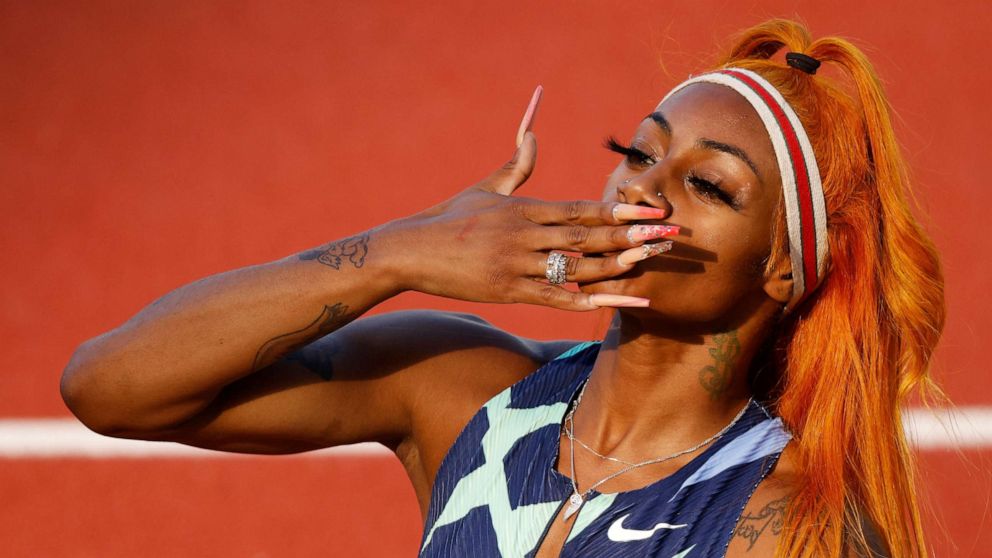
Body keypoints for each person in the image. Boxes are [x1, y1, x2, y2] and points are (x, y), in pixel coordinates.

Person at [60, 18, 944, 558]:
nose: (643, 189)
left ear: (784, 266)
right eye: (639, 153)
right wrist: (396, 254)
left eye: (708, 185)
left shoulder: (782, 530)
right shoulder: (466, 392)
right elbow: (111, 386)